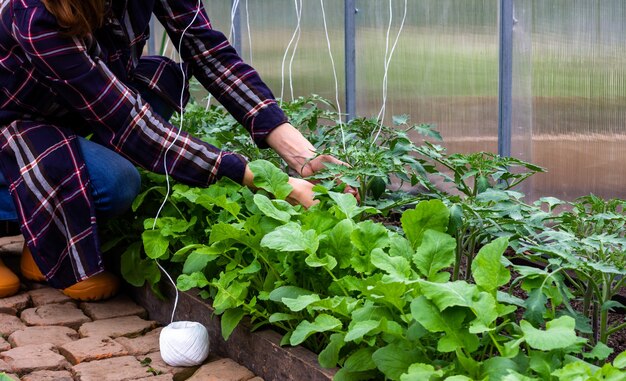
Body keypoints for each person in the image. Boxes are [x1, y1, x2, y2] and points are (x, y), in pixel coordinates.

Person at [0, 0, 352, 300]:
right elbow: (132, 126)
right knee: (114, 183)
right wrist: (266, 180)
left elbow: (208, 52)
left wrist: (301, 154)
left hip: (67, 105)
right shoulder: (35, 13)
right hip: (11, 118)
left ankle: (47, 229)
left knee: (160, 83)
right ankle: (33, 216)